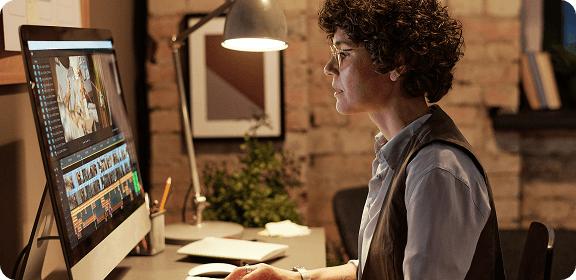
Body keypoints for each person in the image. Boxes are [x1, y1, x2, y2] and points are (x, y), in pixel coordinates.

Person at [225, 0, 505, 279]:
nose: (328, 68)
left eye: (343, 54)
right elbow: (379, 267)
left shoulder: (436, 170)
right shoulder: (399, 151)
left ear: (396, 62)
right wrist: (294, 278)